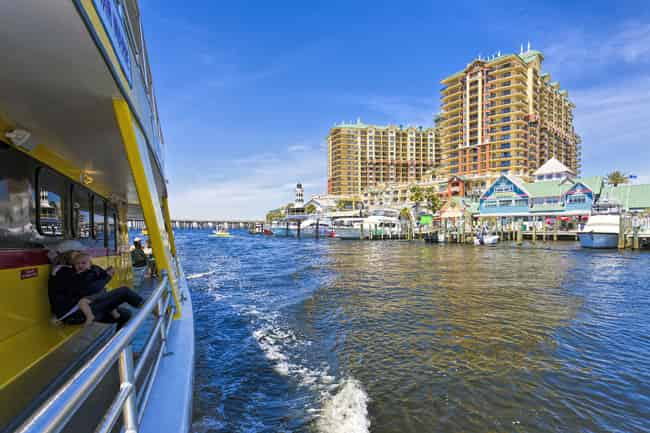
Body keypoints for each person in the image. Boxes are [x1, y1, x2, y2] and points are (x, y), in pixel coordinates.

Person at [49, 251, 145, 331]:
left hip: (81, 309)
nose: (79, 262)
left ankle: (120, 348)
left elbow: (92, 284)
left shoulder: (74, 272)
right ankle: (147, 308)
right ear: (68, 259)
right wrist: (108, 276)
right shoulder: (63, 273)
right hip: (73, 314)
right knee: (124, 291)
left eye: (83, 262)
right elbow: (91, 289)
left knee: (125, 314)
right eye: (76, 258)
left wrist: (101, 273)